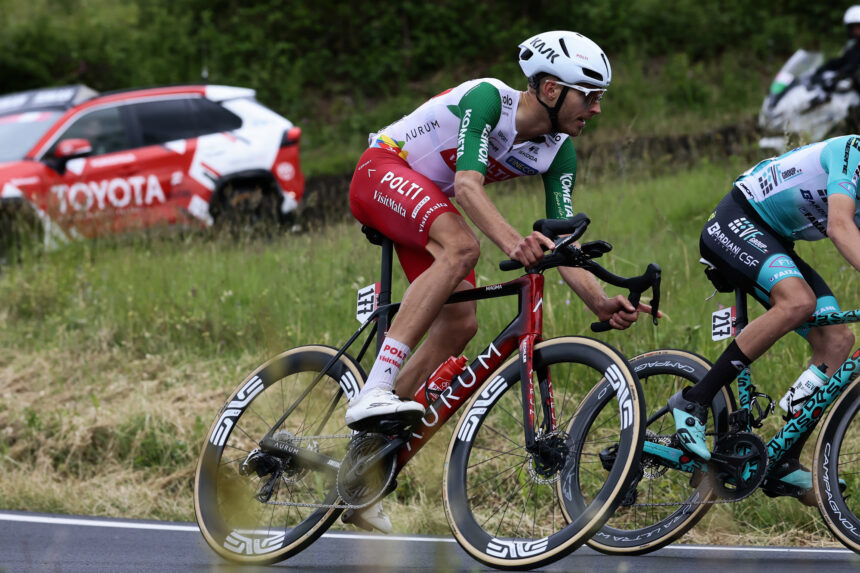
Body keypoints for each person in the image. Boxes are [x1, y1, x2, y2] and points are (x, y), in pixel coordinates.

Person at [341, 30, 658, 533]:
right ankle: (375, 387)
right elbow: (466, 186)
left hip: (425, 201)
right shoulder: (488, 99)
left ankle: (361, 462)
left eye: (601, 98)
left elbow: (559, 243)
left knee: (459, 326)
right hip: (384, 169)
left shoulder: (560, 152)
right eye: (590, 96)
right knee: (464, 246)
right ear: (551, 90)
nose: (597, 109)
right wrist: (512, 241)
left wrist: (599, 301)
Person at [669, 135, 860, 504]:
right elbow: (840, 226)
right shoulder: (852, 151)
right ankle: (694, 399)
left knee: (837, 341)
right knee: (797, 302)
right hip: (737, 218)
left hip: (774, 238)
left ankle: (783, 462)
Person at [812, 6, 860, 93]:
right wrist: (821, 70)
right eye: (852, 27)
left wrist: (839, 75)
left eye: (857, 26)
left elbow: (853, 68)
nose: (854, 30)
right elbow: (841, 61)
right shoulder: (852, 46)